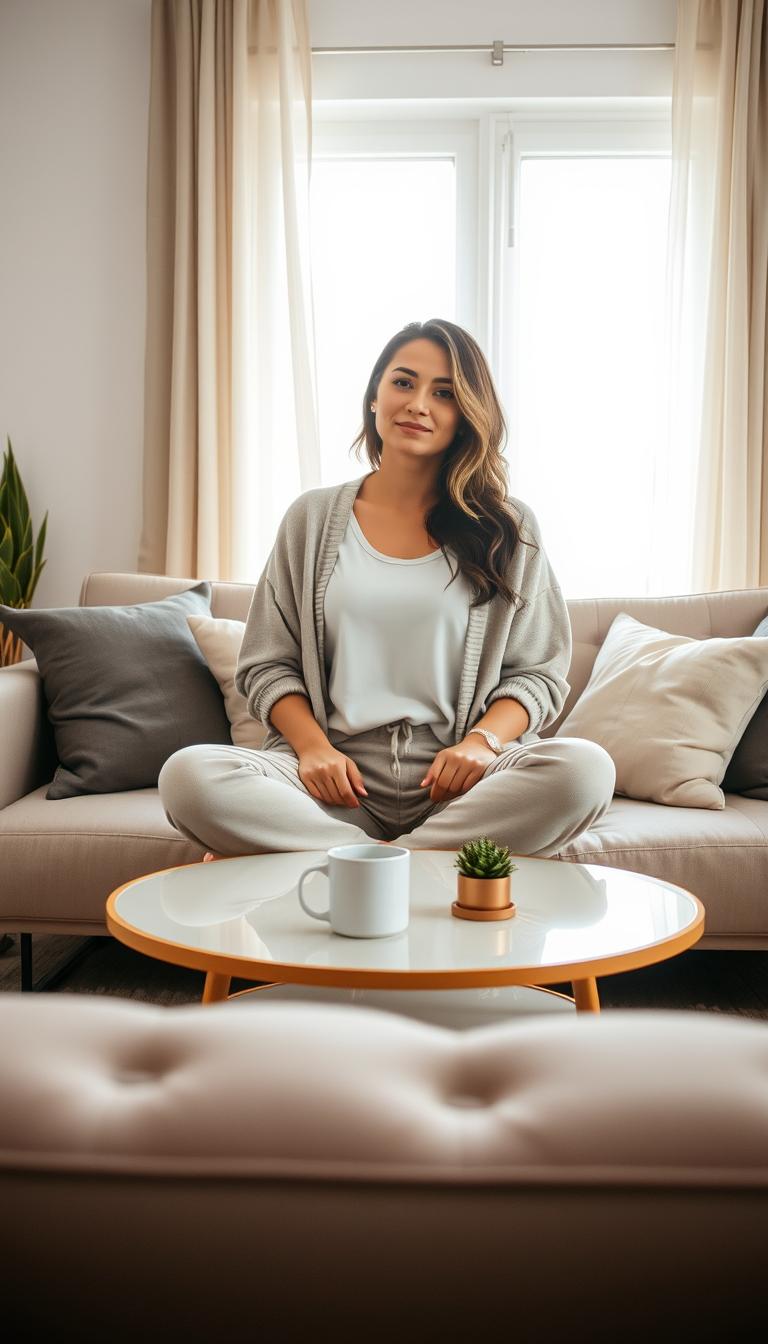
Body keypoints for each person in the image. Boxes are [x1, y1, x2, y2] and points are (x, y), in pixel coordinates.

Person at [159, 318, 615, 857]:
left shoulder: (507, 527)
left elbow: (538, 673)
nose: (418, 404)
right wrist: (312, 749)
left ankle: (363, 866)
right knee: (188, 775)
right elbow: (265, 664)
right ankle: (421, 864)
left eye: (443, 393)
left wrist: (482, 743)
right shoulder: (311, 518)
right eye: (403, 382)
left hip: (460, 786)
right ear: (375, 396)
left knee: (585, 771)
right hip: (332, 780)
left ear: (466, 415)